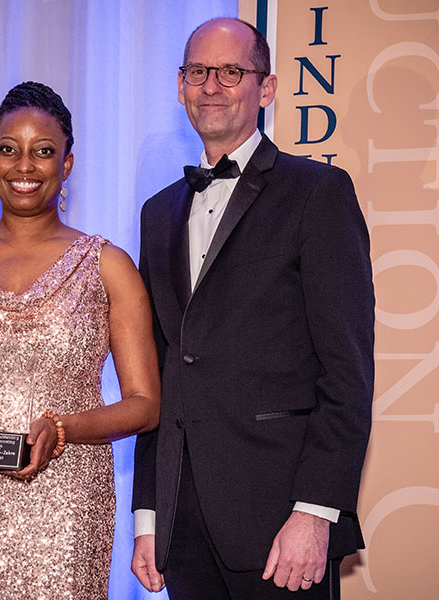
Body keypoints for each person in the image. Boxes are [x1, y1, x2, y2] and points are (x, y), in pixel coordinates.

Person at [130, 17, 374, 599]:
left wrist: (315, 513)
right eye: (197, 71)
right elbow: (161, 372)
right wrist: (149, 516)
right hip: (184, 526)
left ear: (265, 89)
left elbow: (347, 371)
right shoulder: (157, 212)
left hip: (282, 524)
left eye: (231, 71)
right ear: (181, 86)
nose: (211, 85)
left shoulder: (319, 192)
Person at [0, 81, 160, 599]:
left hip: (68, 499)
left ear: (66, 165)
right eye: (8, 149)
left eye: (44, 151)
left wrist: (62, 430)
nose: (25, 166)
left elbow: (144, 405)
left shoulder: (107, 266)